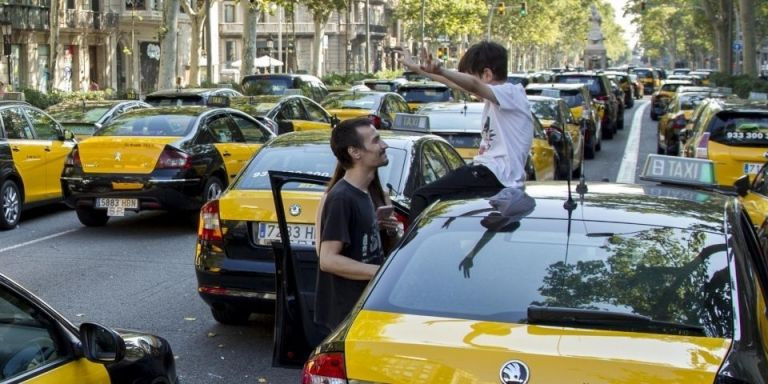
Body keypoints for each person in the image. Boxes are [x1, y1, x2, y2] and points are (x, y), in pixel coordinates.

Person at [395, 41, 534, 222]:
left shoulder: (510, 93)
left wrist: (442, 69)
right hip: (495, 177)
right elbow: (453, 82)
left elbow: (474, 85)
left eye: (468, 77)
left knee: (423, 197)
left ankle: (410, 248)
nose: (468, 89)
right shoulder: (500, 98)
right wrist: (417, 68)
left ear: (487, 74)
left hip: (494, 174)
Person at [314, 117, 399, 334]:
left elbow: (374, 247)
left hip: (370, 307)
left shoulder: (374, 193)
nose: (384, 145)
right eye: (376, 141)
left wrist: (392, 231)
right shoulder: (341, 197)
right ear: (355, 152)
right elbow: (328, 259)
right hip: (349, 315)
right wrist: (383, 272)